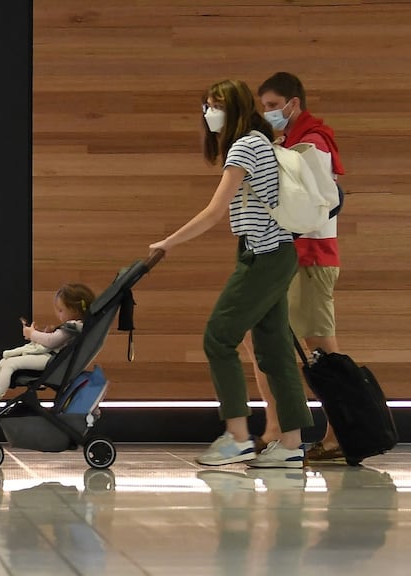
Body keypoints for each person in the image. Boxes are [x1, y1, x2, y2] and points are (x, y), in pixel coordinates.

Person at [149, 79, 314, 468]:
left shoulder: (245, 145)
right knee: (274, 351)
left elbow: (214, 210)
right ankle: (290, 445)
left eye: (215, 105)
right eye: (206, 105)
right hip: (275, 252)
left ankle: (237, 436)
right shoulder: (260, 141)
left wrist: (167, 243)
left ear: (234, 107)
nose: (209, 113)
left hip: (264, 256)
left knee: (218, 336)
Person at [248, 71, 347, 462]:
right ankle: (277, 427)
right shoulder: (291, 142)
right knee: (263, 340)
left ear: (294, 103)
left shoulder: (312, 144)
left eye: (273, 106)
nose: (268, 113)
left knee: (321, 348)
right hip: (293, 256)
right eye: (264, 107)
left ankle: (339, 432)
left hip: (310, 256)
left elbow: (320, 204)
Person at [0, 283, 94, 415]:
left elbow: (51, 341)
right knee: (5, 362)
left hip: (51, 361)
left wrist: (32, 334)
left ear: (75, 310)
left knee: (10, 363)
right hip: (53, 360)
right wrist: (45, 333)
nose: (59, 315)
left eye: (61, 311)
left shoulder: (73, 326)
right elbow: (56, 339)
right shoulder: (77, 327)